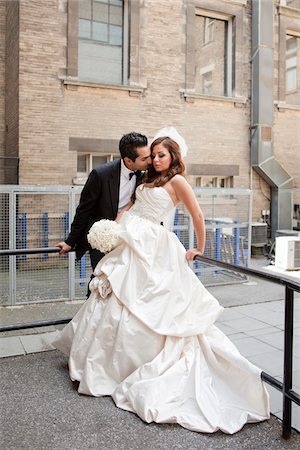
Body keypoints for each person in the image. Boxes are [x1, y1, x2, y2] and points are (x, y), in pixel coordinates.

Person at [53, 129, 270, 434]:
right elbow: (129, 207)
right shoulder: (148, 179)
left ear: (174, 156)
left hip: (154, 244)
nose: (155, 160)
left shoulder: (178, 181)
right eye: (152, 155)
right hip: (130, 238)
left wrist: (200, 248)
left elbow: (197, 215)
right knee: (115, 298)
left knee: (150, 302)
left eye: (161, 155)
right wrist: (111, 229)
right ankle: (104, 364)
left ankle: (136, 366)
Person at [56, 132, 151, 271]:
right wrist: (70, 241)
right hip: (103, 239)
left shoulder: (144, 174)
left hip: (130, 239)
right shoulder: (100, 175)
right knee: (101, 282)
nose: (150, 161)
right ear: (128, 160)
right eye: (145, 159)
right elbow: (84, 210)